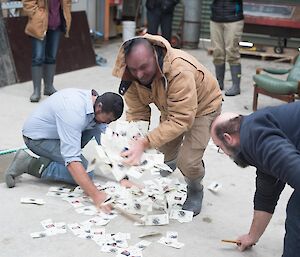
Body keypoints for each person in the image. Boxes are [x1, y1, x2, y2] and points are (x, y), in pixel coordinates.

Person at [112, 34, 222, 216]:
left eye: (144, 67)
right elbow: (138, 113)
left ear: (155, 56)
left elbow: (181, 119)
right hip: (172, 107)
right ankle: (171, 161)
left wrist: (145, 142)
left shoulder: (180, 70)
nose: (139, 74)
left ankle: (195, 188)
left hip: (204, 107)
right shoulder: (130, 75)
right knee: (163, 152)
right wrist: (133, 140)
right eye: (134, 69)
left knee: (187, 162)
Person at [5, 88, 124, 210]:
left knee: (96, 128)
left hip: (57, 132)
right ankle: (29, 163)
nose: (108, 123)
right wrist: (96, 196)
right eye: (108, 120)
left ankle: (57, 155)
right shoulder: (73, 112)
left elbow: (104, 142)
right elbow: (72, 160)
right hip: (37, 139)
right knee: (87, 172)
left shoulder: (94, 104)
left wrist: (122, 177)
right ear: (99, 107)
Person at [210, 102, 300, 257]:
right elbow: (266, 195)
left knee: (296, 212)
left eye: (219, 147)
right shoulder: (253, 133)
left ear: (228, 138)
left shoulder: (259, 141)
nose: (224, 153)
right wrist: (252, 236)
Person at [23, 0, 72, 102]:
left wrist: (66, 15)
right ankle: (36, 91)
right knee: (38, 57)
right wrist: (36, 15)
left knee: (52, 57)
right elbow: (28, 2)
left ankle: (49, 87)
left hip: (56, 24)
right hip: (39, 24)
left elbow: (67, 3)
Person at [210, 0, 244, 96]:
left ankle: (236, 86)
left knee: (232, 51)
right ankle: (219, 84)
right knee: (217, 52)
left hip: (234, 18)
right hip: (216, 18)